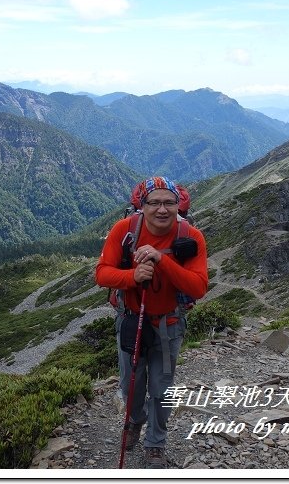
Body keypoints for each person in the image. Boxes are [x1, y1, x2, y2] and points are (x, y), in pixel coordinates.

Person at [96, 176, 208, 468]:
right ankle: (135, 418)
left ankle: (155, 442)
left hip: (169, 324)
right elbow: (102, 274)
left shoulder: (191, 236)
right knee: (129, 386)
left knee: (162, 387)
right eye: (154, 203)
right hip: (131, 320)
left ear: (179, 205)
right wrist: (132, 277)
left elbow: (198, 287)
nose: (162, 209)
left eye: (169, 202)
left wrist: (162, 260)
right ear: (141, 206)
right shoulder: (125, 230)